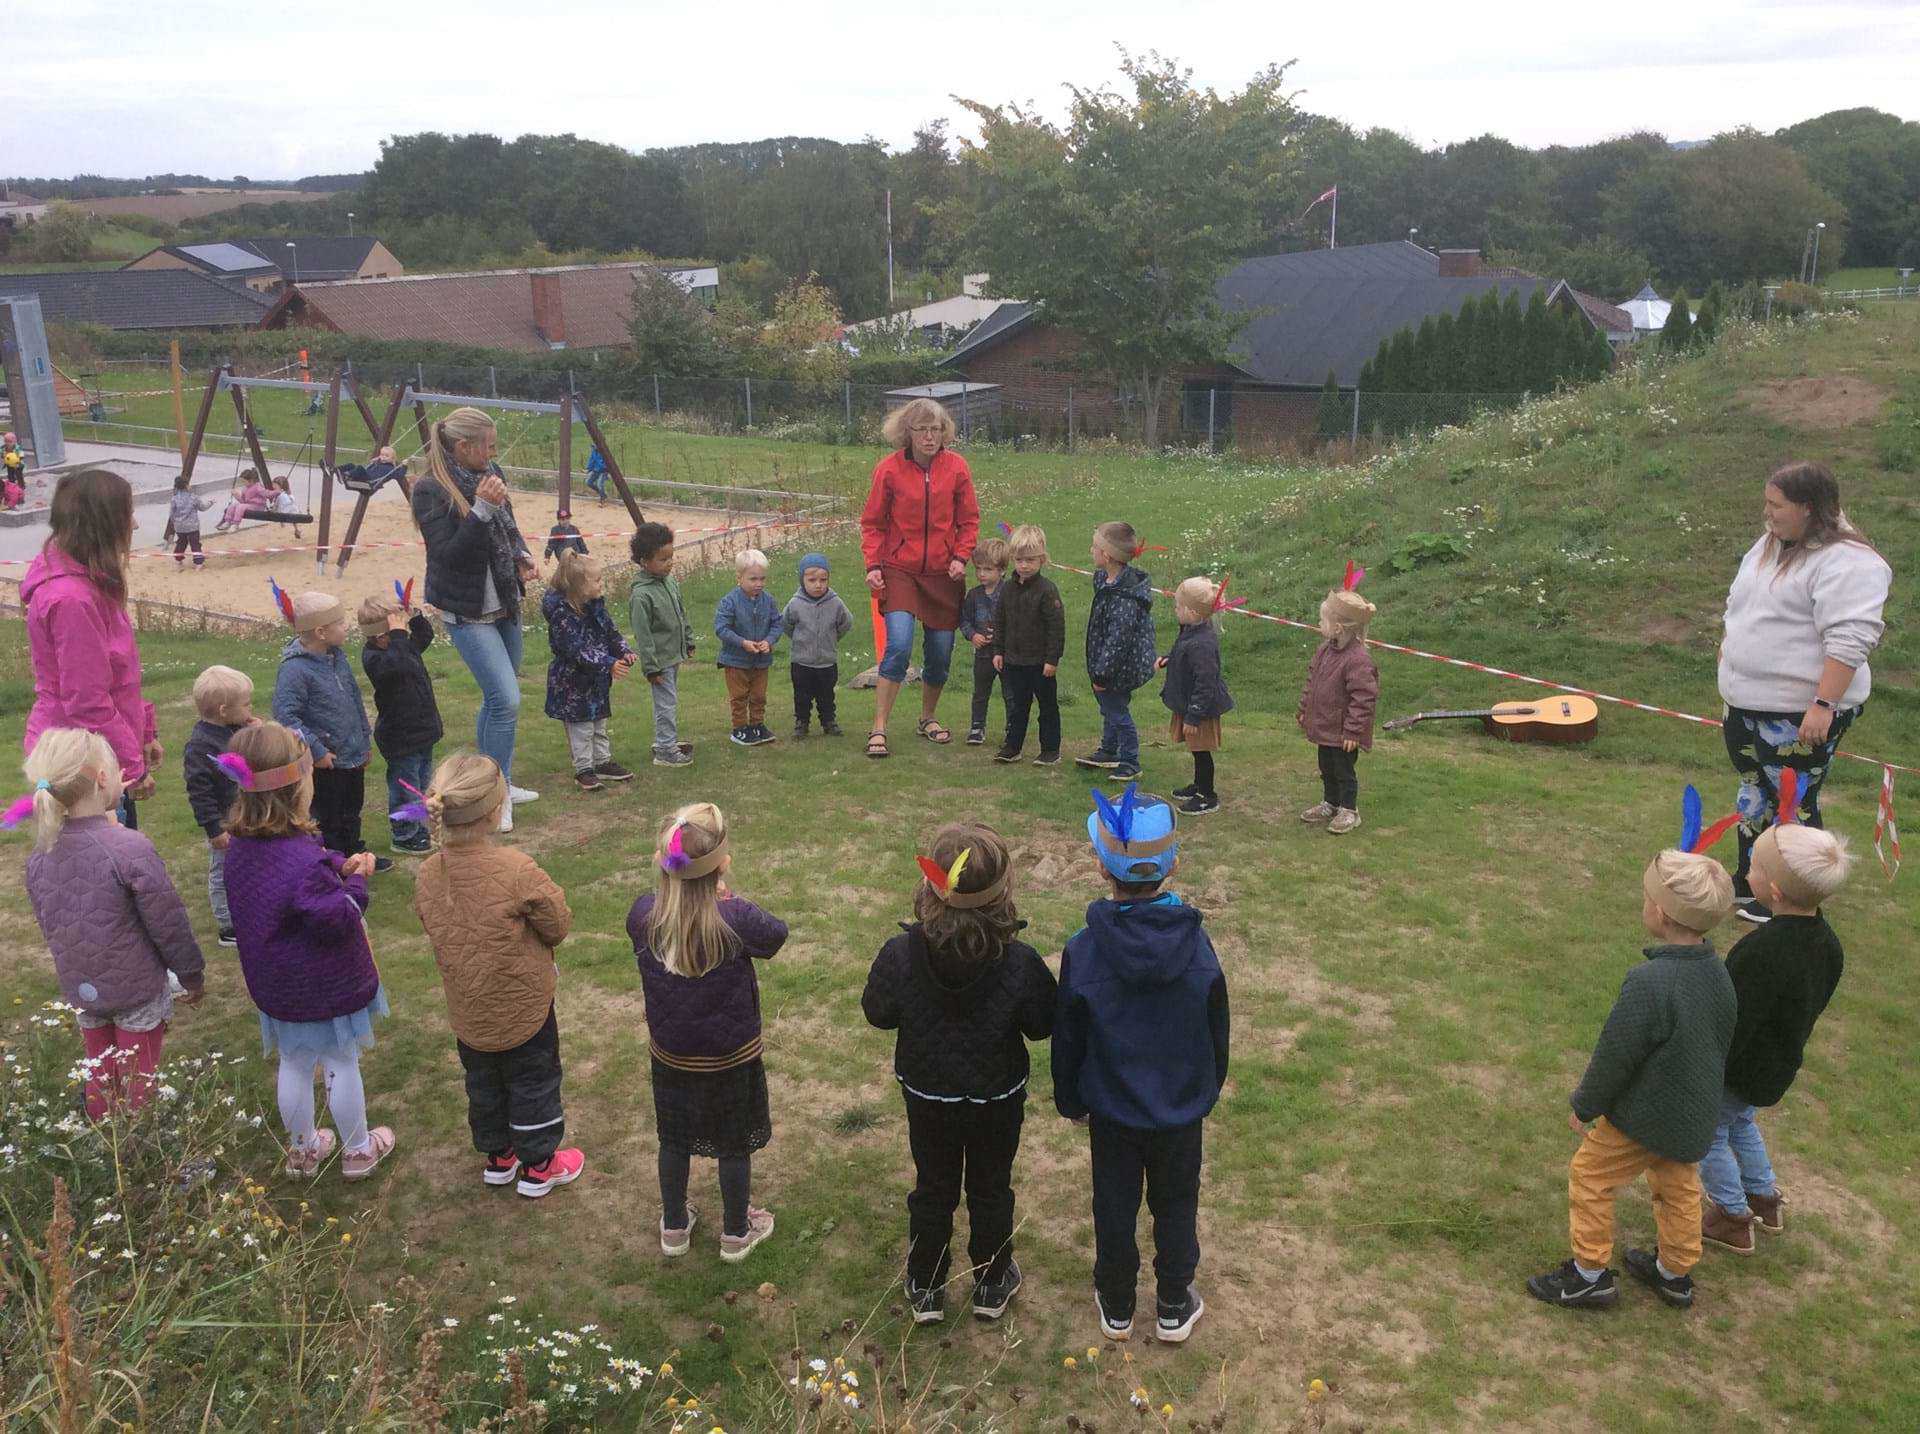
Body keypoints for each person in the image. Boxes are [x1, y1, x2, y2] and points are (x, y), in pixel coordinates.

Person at [861, 823, 1055, 1324]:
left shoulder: (900, 955)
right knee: (991, 1187)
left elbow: (879, 1011)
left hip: (929, 1094)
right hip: (995, 1097)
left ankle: (926, 1284)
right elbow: (1042, 1024)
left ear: (929, 890)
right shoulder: (1019, 961)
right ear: (1004, 894)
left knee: (934, 1186)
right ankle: (991, 1281)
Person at [1526, 849, 1736, 1312]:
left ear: (1659, 913)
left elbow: (1616, 1055)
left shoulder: (1649, 982)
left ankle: (1588, 1275)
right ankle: (1675, 1273)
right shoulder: (1720, 975)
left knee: (1590, 1174)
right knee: (1677, 1184)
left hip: (1646, 1115)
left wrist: (1585, 1104)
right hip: (1694, 1114)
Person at [1054, 788, 1228, 1345]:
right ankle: (1174, 1301)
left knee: (1115, 1203)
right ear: (1173, 865)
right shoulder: (1198, 948)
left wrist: (1071, 1099)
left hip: (1113, 1110)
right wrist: (1204, 1090)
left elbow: (1067, 1037)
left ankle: (1118, 1302)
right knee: (1177, 1202)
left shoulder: (1083, 951)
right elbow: (1216, 1032)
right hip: (1179, 1111)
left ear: (1100, 866)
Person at [221, 721, 396, 1181]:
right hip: (324, 987)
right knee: (341, 1063)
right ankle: (359, 1150)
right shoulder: (299, 863)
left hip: (277, 985)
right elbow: (339, 916)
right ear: (300, 783)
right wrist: (357, 880)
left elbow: (308, 863)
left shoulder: (244, 846)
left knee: (294, 1064)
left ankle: (302, 1150)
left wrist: (337, 863)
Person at [1717, 461, 1891, 923]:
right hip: (1746, 703)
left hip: (1800, 711)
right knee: (1754, 790)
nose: (1767, 513)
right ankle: (1750, 878)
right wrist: (1728, 652)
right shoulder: (1771, 544)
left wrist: (1823, 705)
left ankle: (1791, 899)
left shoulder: (1849, 561)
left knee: (1792, 801)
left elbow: (1851, 638)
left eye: (1776, 505)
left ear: (1809, 509)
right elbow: (1741, 604)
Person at [413, 753, 585, 1199]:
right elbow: (557, 924)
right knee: (534, 1080)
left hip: (468, 1007)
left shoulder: (429, 874)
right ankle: (540, 1163)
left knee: (483, 1082)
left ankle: (498, 1155)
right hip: (523, 1004)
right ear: (495, 811)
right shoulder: (516, 869)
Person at [628, 803, 788, 1262]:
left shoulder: (644, 915)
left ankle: (674, 1225)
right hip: (731, 1058)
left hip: (672, 1057)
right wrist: (729, 896)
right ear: (721, 864)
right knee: (733, 1144)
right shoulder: (734, 919)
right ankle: (736, 1232)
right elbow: (776, 935)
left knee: (673, 1138)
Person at [21, 728, 205, 1121]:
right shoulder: (129, 848)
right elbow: (168, 921)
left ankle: (103, 1146)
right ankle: (140, 1155)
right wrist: (191, 974)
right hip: (135, 986)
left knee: (100, 1067)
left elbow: (47, 922)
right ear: (104, 779)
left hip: (82, 985)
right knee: (140, 1073)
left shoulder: (41, 855)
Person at [1699, 824, 1851, 1255]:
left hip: (1738, 1065)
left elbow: (1733, 1019)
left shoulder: (1761, 952)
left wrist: (1707, 1065)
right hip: (1778, 1063)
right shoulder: (1828, 944)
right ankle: (1762, 1196)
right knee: (1740, 1121)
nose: (1746, 870)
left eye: (1753, 866)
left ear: (1776, 892)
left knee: (1710, 1133)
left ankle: (1732, 1216)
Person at [411, 406, 541, 831]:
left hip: (504, 599)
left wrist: (520, 556)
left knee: (496, 698)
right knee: (506, 700)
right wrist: (481, 508)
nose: (494, 452)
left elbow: (509, 527)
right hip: (468, 610)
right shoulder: (430, 490)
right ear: (463, 447)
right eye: (488, 445)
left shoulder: (490, 472)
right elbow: (449, 555)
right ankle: (494, 796)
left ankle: (492, 780)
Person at [22, 468, 160, 831]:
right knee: (108, 874)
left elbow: (120, 673)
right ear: (102, 523)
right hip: (84, 763)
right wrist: (132, 766)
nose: (134, 525)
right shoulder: (72, 600)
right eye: (126, 514)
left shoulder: (90, 584)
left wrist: (145, 731)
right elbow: (87, 702)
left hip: (103, 753)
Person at [860, 398, 981, 758]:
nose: (929, 436)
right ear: (907, 433)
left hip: (944, 573)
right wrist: (873, 565)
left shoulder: (957, 468)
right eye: (922, 429)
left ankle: (927, 717)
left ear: (945, 432)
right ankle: (879, 726)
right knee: (898, 644)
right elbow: (873, 523)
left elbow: (969, 520)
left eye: (936, 429)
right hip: (900, 570)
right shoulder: (889, 470)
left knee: (940, 654)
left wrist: (961, 556)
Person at [272, 590, 388, 871]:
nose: (346, 627)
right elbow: (286, 716)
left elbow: (353, 698)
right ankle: (334, 863)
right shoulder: (295, 670)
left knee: (352, 808)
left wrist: (363, 738)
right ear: (321, 632)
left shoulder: (338, 657)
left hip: (352, 752)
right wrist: (317, 750)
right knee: (329, 815)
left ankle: (355, 852)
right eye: (340, 622)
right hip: (327, 761)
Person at [542, 550, 638, 791]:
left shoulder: (596, 608)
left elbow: (611, 632)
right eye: (596, 580)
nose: (601, 584)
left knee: (599, 723)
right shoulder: (562, 617)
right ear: (578, 586)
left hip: (596, 681)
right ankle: (583, 768)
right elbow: (577, 650)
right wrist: (608, 662)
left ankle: (603, 762)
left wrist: (623, 651)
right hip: (572, 682)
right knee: (581, 727)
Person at [357, 592, 443, 856]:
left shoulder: (402, 647)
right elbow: (399, 665)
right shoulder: (376, 658)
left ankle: (418, 828)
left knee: (421, 782)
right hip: (400, 736)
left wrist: (415, 617)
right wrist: (398, 638)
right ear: (379, 636)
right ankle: (403, 834)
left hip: (422, 729)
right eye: (395, 632)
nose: (402, 635)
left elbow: (423, 638)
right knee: (405, 787)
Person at [183, 664, 258, 946]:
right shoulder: (201, 746)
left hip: (245, 815)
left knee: (247, 865)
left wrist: (254, 731)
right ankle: (229, 925)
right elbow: (199, 792)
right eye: (246, 704)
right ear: (224, 710)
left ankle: (249, 910)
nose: (251, 709)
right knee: (223, 871)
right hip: (225, 823)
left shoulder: (234, 729)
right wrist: (214, 829)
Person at [1078, 522, 1158, 783]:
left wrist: (1101, 674)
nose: (1091, 550)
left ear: (1108, 555)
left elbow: (1117, 641)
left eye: (1095, 547)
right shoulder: (1105, 580)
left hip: (1120, 666)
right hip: (1107, 663)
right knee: (1109, 708)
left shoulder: (1125, 600)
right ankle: (1109, 750)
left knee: (1118, 712)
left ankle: (1130, 760)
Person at [1296, 585, 1380, 835]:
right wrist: (1304, 710)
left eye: (1322, 619)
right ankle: (1330, 803)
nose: (1318, 623)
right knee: (1326, 768)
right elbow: (1312, 682)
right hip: (1324, 727)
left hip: (1343, 734)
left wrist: (1353, 732)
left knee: (1344, 771)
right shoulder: (1324, 650)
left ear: (1338, 627)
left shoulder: (1358, 660)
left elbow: (1364, 698)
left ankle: (1349, 810)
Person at [990, 524, 1066, 767]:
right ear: (1013, 559)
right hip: (1013, 661)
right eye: (1020, 560)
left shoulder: (1047, 591)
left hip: (1040, 663)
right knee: (1017, 706)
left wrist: (1052, 660)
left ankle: (1050, 750)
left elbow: (1056, 628)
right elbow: (1000, 621)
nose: (1024, 565)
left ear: (1042, 560)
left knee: (1047, 707)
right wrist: (998, 651)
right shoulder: (1007, 590)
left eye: (1031, 560)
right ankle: (1012, 747)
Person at [1159, 577, 1234, 817]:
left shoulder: (1202, 643)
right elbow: (1184, 657)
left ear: (1192, 612)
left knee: (1201, 750)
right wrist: (1169, 660)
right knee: (1195, 749)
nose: (1175, 610)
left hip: (1201, 709)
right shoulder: (1191, 632)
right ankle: (1198, 785)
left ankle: (1207, 795)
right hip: (1191, 705)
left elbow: (1205, 682)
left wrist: (1193, 716)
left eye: (1178, 607)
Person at [629, 522, 696, 769]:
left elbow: (681, 613)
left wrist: (688, 640)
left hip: (673, 655)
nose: (669, 563)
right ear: (645, 561)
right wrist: (651, 668)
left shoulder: (669, 582)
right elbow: (643, 636)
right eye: (662, 559)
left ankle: (664, 741)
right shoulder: (641, 595)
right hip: (659, 662)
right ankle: (666, 750)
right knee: (666, 704)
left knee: (669, 701)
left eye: (671, 557)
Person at [715, 547, 784, 747]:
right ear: (739, 578)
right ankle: (739, 729)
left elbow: (777, 623)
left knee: (759, 695)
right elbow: (721, 628)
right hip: (735, 660)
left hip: (761, 660)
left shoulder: (768, 600)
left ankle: (757, 725)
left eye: (762, 579)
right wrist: (742, 642)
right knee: (739, 696)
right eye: (753, 579)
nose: (759, 584)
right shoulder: (729, 601)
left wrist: (769, 641)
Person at [783, 552, 853, 739]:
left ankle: (829, 722)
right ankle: (802, 723)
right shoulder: (795, 603)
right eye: (812, 580)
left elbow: (846, 622)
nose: (818, 584)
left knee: (826, 695)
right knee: (802, 695)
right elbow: (787, 624)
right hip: (801, 662)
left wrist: (831, 638)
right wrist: (800, 640)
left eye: (823, 579)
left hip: (827, 662)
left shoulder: (835, 602)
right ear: (802, 580)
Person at [958, 537, 1009, 747]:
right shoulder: (973, 595)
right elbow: (964, 620)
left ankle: (1012, 728)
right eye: (978, 569)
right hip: (982, 655)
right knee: (980, 692)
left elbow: (1015, 621)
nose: (981, 574)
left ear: (1002, 570)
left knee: (1010, 693)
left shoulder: (1009, 592)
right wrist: (972, 635)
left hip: (1006, 654)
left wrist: (999, 636)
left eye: (988, 569)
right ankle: (977, 727)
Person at [164, 473, 214, 571]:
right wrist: (210, 503)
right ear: (187, 485)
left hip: (180, 527)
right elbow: (203, 508)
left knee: (181, 543)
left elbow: (171, 514)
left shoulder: (174, 499)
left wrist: (175, 522)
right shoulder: (193, 497)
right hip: (192, 526)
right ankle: (198, 563)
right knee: (195, 544)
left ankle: (178, 559)